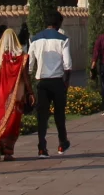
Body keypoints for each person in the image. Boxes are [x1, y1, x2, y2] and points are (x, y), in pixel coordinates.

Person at [28, 12, 73, 157]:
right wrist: (66, 82)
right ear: (58, 23)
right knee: (59, 115)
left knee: (42, 116)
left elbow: (29, 65)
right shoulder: (63, 39)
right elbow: (67, 64)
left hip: (42, 82)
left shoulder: (34, 39)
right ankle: (62, 143)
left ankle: (42, 147)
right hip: (57, 81)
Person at [0, 26, 30, 161]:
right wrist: (30, 92)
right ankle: (8, 152)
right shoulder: (21, 57)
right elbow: (25, 76)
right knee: (12, 123)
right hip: (16, 96)